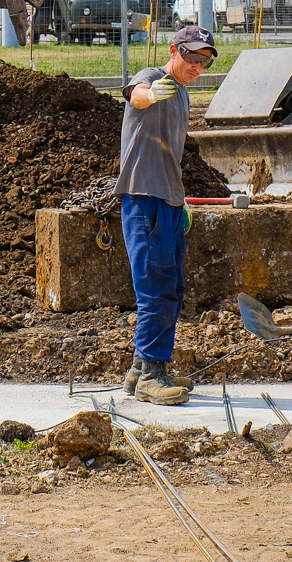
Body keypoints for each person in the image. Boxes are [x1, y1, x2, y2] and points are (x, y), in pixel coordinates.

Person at [119, 24, 218, 406]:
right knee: (155, 288)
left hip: (168, 199)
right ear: (175, 50)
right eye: (192, 58)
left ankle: (140, 369)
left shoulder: (182, 94)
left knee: (171, 288)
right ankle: (153, 373)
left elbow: (168, 155)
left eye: (205, 62)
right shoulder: (154, 79)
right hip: (144, 198)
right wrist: (149, 93)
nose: (197, 67)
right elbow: (135, 95)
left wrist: (180, 199)